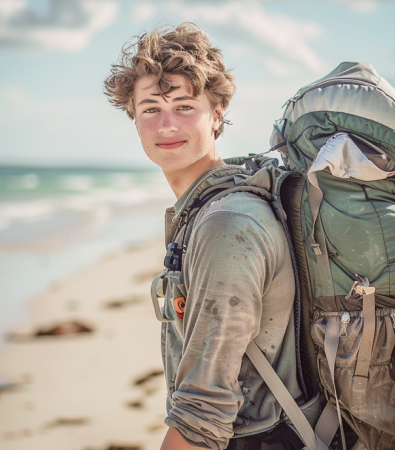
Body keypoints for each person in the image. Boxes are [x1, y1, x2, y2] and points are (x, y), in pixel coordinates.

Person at [103, 23, 307, 450]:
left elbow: (203, 414)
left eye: (184, 105)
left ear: (217, 114)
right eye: (150, 109)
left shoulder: (226, 225)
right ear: (133, 119)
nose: (166, 125)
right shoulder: (210, 207)